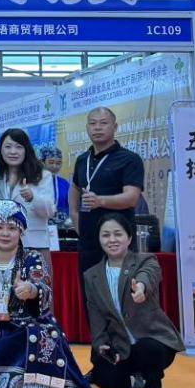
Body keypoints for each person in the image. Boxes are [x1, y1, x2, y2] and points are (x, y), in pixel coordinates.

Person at [0, 200, 96, 388]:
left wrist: (31, 289)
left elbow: (44, 288)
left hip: (26, 327)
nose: (5, 233)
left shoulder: (32, 259)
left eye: (12, 228)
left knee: (42, 337)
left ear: (21, 231)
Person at [83, 213, 184, 388]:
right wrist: (101, 343)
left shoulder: (145, 260)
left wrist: (141, 288)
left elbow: (148, 275)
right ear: (99, 239)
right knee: (100, 365)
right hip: (121, 346)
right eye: (106, 235)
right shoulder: (91, 275)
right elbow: (96, 315)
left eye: (118, 234)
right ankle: (121, 387)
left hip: (154, 339)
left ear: (129, 238)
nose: (112, 240)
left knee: (148, 349)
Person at [69, 106, 144, 280]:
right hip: (88, 244)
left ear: (115, 127)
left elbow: (132, 198)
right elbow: (75, 190)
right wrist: (76, 220)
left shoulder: (129, 159)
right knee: (90, 292)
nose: (97, 128)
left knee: (121, 290)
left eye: (103, 123)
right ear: (87, 128)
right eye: (92, 123)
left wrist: (100, 201)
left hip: (117, 242)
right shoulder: (82, 160)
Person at [0, 128, 57, 262]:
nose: (13, 151)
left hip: (34, 245)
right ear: (1, 151)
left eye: (19, 147)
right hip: (3, 247)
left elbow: (50, 211)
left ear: (26, 150)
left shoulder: (43, 175)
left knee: (36, 277)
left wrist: (33, 197)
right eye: (8, 147)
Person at [38, 145, 71, 221]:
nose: (54, 166)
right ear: (42, 162)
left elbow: (71, 206)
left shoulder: (64, 184)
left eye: (58, 163)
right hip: (40, 225)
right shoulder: (34, 183)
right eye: (51, 162)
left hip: (62, 225)